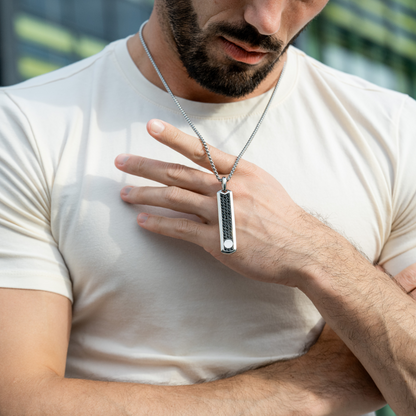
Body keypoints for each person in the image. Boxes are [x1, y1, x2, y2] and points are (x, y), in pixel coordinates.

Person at [0, 0, 415, 414]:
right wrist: (311, 390)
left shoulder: (395, 132)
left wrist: (316, 254)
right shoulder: (23, 128)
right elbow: (17, 402)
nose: (265, 22)